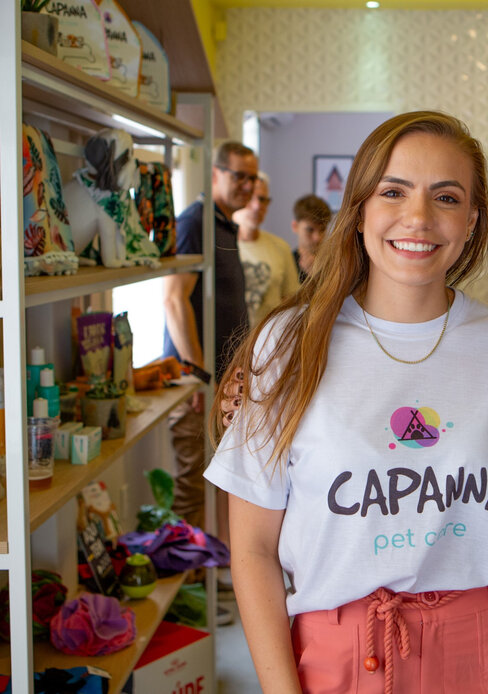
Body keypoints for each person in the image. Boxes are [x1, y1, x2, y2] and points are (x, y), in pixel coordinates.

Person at [204, 112, 488, 694]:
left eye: (446, 197)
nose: (418, 218)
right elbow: (254, 549)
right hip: (340, 648)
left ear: (471, 220)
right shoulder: (289, 344)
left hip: (486, 642)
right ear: (360, 209)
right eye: (394, 192)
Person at [163, 140, 255, 624]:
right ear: (215, 174)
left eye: (251, 178)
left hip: (218, 385)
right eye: (238, 176)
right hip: (195, 385)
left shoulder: (225, 225)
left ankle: (209, 579)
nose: (247, 185)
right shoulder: (195, 220)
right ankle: (184, 602)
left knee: (219, 483)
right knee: (190, 490)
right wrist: (198, 376)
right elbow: (175, 300)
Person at [233, 172, 300, 327]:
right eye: (251, 197)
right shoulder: (220, 246)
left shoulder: (280, 247)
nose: (257, 206)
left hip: (268, 343)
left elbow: (291, 302)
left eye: (262, 199)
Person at [291, 193, 331, 282]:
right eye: (310, 230)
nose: (317, 238)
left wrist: (317, 276)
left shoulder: (335, 265)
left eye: (322, 230)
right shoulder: (286, 262)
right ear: (295, 226)